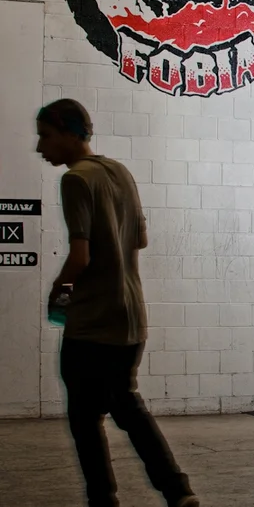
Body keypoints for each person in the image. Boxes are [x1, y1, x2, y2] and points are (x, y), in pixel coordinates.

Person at [37, 99, 199, 507]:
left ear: (70, 134)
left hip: (93, 320)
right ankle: (177, 491)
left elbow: (80, 257)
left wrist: (59, 291)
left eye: (46, 136)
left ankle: (104, 500)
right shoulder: (120, 172)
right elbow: (140, 239)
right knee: (127, 406)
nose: (40, 147)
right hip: (130, 315)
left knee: (85, 418)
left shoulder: (75, 179)